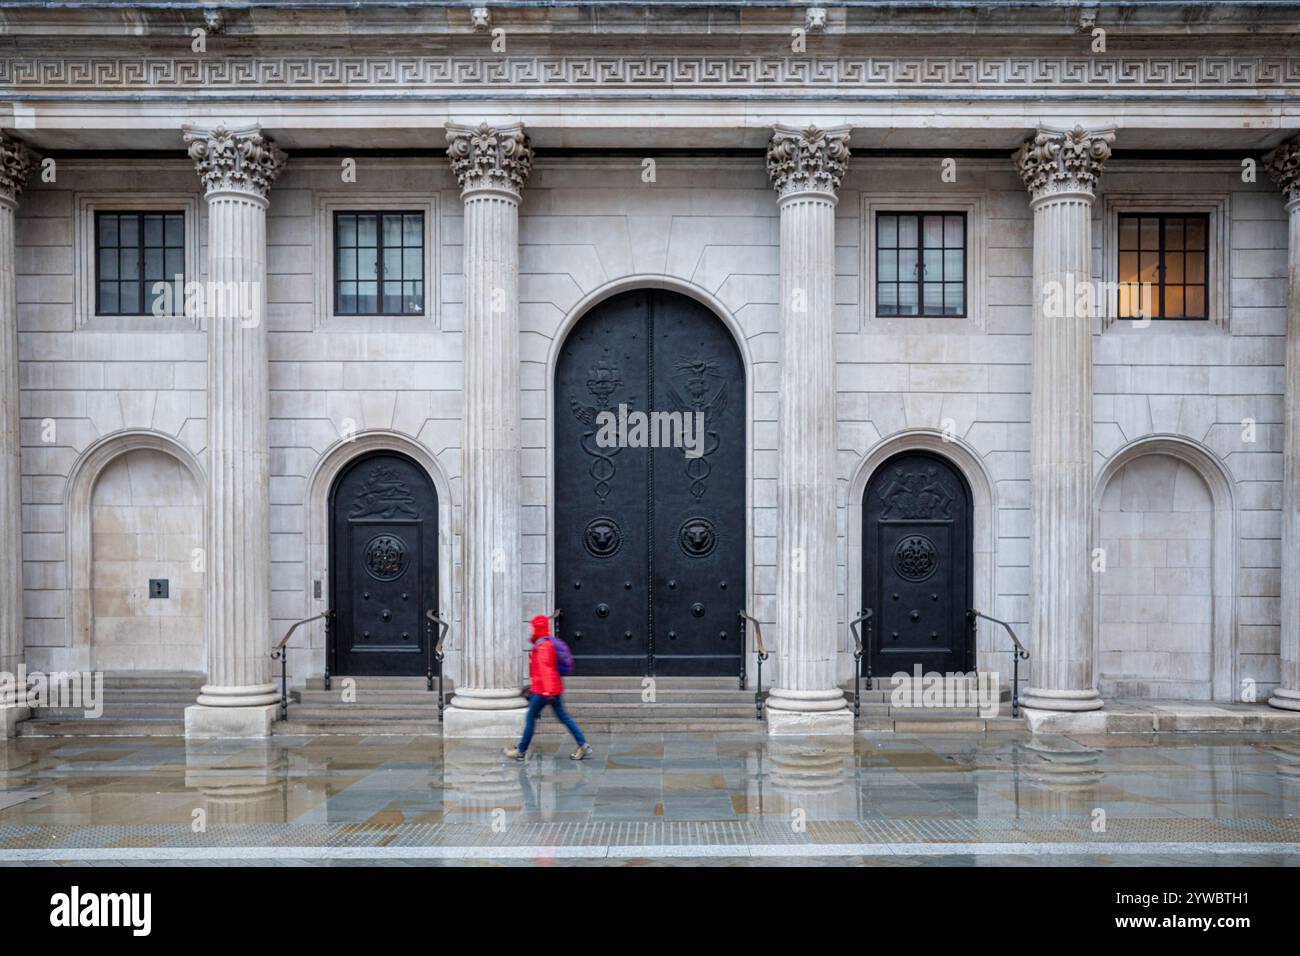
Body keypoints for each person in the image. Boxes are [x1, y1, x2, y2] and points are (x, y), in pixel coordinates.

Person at [504, 614, 592, 761]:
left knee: (530, 717)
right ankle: (583, 745)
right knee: (563, 717)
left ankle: (521, 751)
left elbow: (546, 670)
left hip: (544, 690)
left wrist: (547, 692)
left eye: (534, 628)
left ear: (538, 628)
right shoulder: (545, 643)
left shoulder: (543, 646)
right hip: (551, 689)